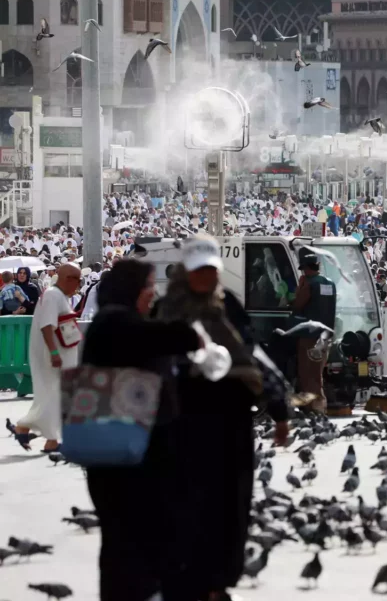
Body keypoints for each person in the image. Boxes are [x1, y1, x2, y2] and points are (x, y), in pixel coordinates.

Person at [155, 234, 289, 601]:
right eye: (200, 271)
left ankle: (217, 583)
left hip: (229, 423)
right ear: (186, 271)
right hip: (181, 424)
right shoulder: (167, 310)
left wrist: (279, 410)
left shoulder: (227, 305)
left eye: (212, 271)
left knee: (229, 504)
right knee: (185, 504)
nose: (207, 279)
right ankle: (189, 582)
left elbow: (250, 355)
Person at [81, 259, 204, 601]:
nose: (153, 293)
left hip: (132, 455)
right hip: (124, 459)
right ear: (131, 289)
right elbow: (179, 337)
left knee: (130, 545)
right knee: (131, 546)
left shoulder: (120, 323)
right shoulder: (114, 322)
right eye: (150, 286)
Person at [13, 264, 82, 452]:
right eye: (77, 280)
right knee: (54, 395)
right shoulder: (53, 295)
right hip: (53, 356)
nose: (78, 285)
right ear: (68, 279)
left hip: (61, 355)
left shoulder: (59, 296)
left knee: (55, 396)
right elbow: (47, 326)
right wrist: (53, 353)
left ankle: (48, 438)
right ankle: (30, 429)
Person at [290, 253, 336, 413]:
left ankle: (314, 408)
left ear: (307, 268)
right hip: (326, 335)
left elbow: (297, 305)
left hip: (310, 337)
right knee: (318, 372)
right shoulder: (330, 284)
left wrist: (300, 288)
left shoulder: (309, 284)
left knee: (308, 374)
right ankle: (318, 407)